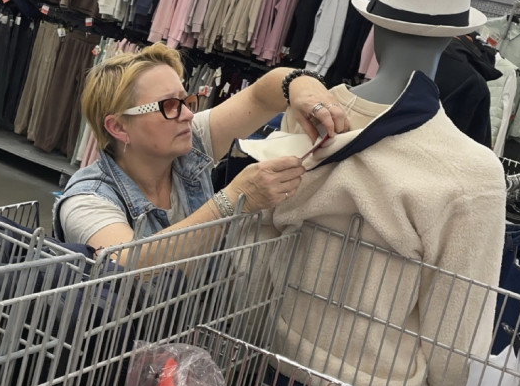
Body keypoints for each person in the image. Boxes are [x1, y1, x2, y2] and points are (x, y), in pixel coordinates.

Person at [54, 43, 346, 259]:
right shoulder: (87, 201)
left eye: (186, 101)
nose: (187, 115)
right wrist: (232, 201)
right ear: (118, 127)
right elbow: (127, 263)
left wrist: (304, 87)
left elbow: (262, 96)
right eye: (169, 106)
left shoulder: (188, 143)